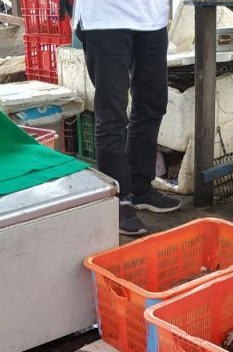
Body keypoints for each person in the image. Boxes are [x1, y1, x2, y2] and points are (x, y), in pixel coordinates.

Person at [72, 0, 181, 236]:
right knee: (112, 113)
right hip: (104, 17)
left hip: (151, 18)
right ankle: (117, 199)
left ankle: (140, 187)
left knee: (152, 104)